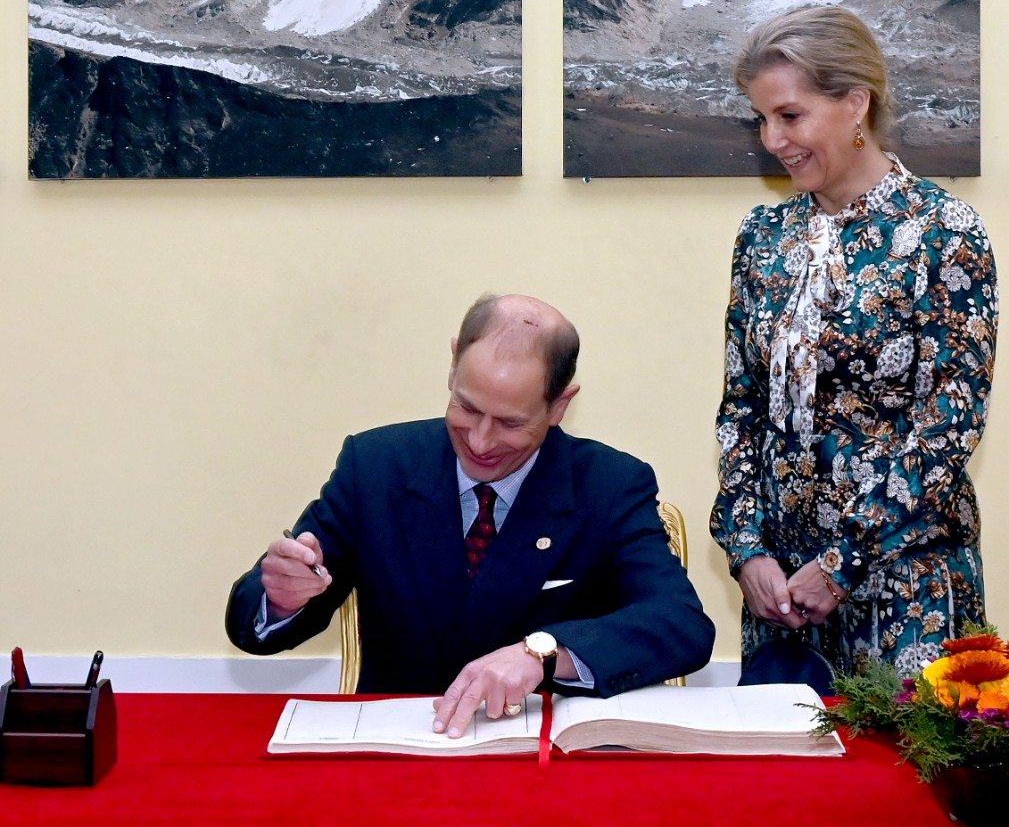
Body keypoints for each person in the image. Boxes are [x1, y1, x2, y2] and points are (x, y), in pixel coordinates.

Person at [228, 293, 715, 734]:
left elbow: (680, 623)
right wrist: (283, 596)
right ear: (452, 364)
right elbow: (257, 624)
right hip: (400, 753)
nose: (480, 442)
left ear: (560, 405)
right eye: (465, 408)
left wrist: (544, 654)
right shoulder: (375, 466)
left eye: (510, 423)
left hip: (545, 764)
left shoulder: (608, 484)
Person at [710, 6, 998, 679]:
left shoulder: (942, 232)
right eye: (761, 119)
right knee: (784, 787)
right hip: (781, 599)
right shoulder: (762, 237)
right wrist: (748, 548)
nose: (773, 139)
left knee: (905, 784)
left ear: (854, 104)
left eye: (789, 115)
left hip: (905, 592)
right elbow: (740, 406)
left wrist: (839, 565)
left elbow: (947, 426)